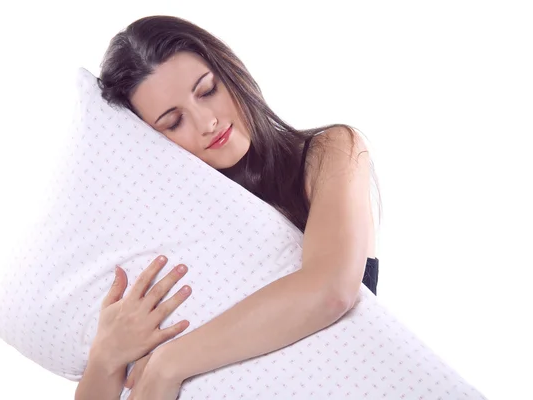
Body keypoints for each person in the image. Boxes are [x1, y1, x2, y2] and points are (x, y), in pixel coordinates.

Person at [76, 15, 383, 400]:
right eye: (173, 122)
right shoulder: (165, 233)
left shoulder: (330, 154)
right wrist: (105, 358)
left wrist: (171, 363)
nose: (207, 122)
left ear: (230, 69)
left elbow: (330, 290)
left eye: (207, 91)